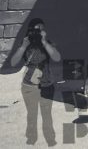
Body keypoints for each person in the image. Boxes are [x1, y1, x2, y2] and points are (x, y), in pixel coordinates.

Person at [11, 18, 61, 146]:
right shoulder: (25, 43)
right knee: (31, 115)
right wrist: (23, 46)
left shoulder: (48, 43)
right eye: (35, 30)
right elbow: (13, 63)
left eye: (41, 30)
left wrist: (44, 42)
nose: (38, 33)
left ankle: (50, 140)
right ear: (30, 31)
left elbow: (57, 57)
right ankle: (31, 139)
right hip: (29, 86)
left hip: (47, 84)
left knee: (47, 115)